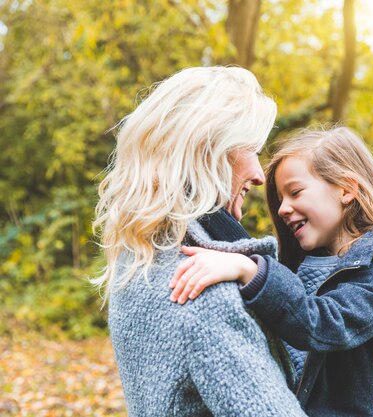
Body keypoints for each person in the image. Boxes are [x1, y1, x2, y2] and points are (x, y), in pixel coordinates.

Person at [169, 127, 373, 416]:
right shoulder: (307, 263)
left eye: (295, 192)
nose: (283, 209)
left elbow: (324, 323)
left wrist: (248, 270)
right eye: (280, 199)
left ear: (346, 189)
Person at [92, 67, 306, 417]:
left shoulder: (138, 261)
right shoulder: (203, 293)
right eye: (251, 150)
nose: (258, 173)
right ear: (209, 152)